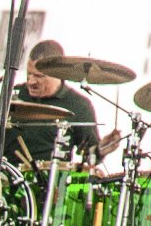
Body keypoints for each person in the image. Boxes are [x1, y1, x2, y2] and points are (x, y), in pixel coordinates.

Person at [8, 39, 99, 169]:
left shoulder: (79, 105)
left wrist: (102, 149)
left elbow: (91, 154)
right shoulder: (14, 94)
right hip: (2, 178)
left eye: (39, 76)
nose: (31, 82)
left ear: (57, 73)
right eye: (29, 74)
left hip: (50, 183)